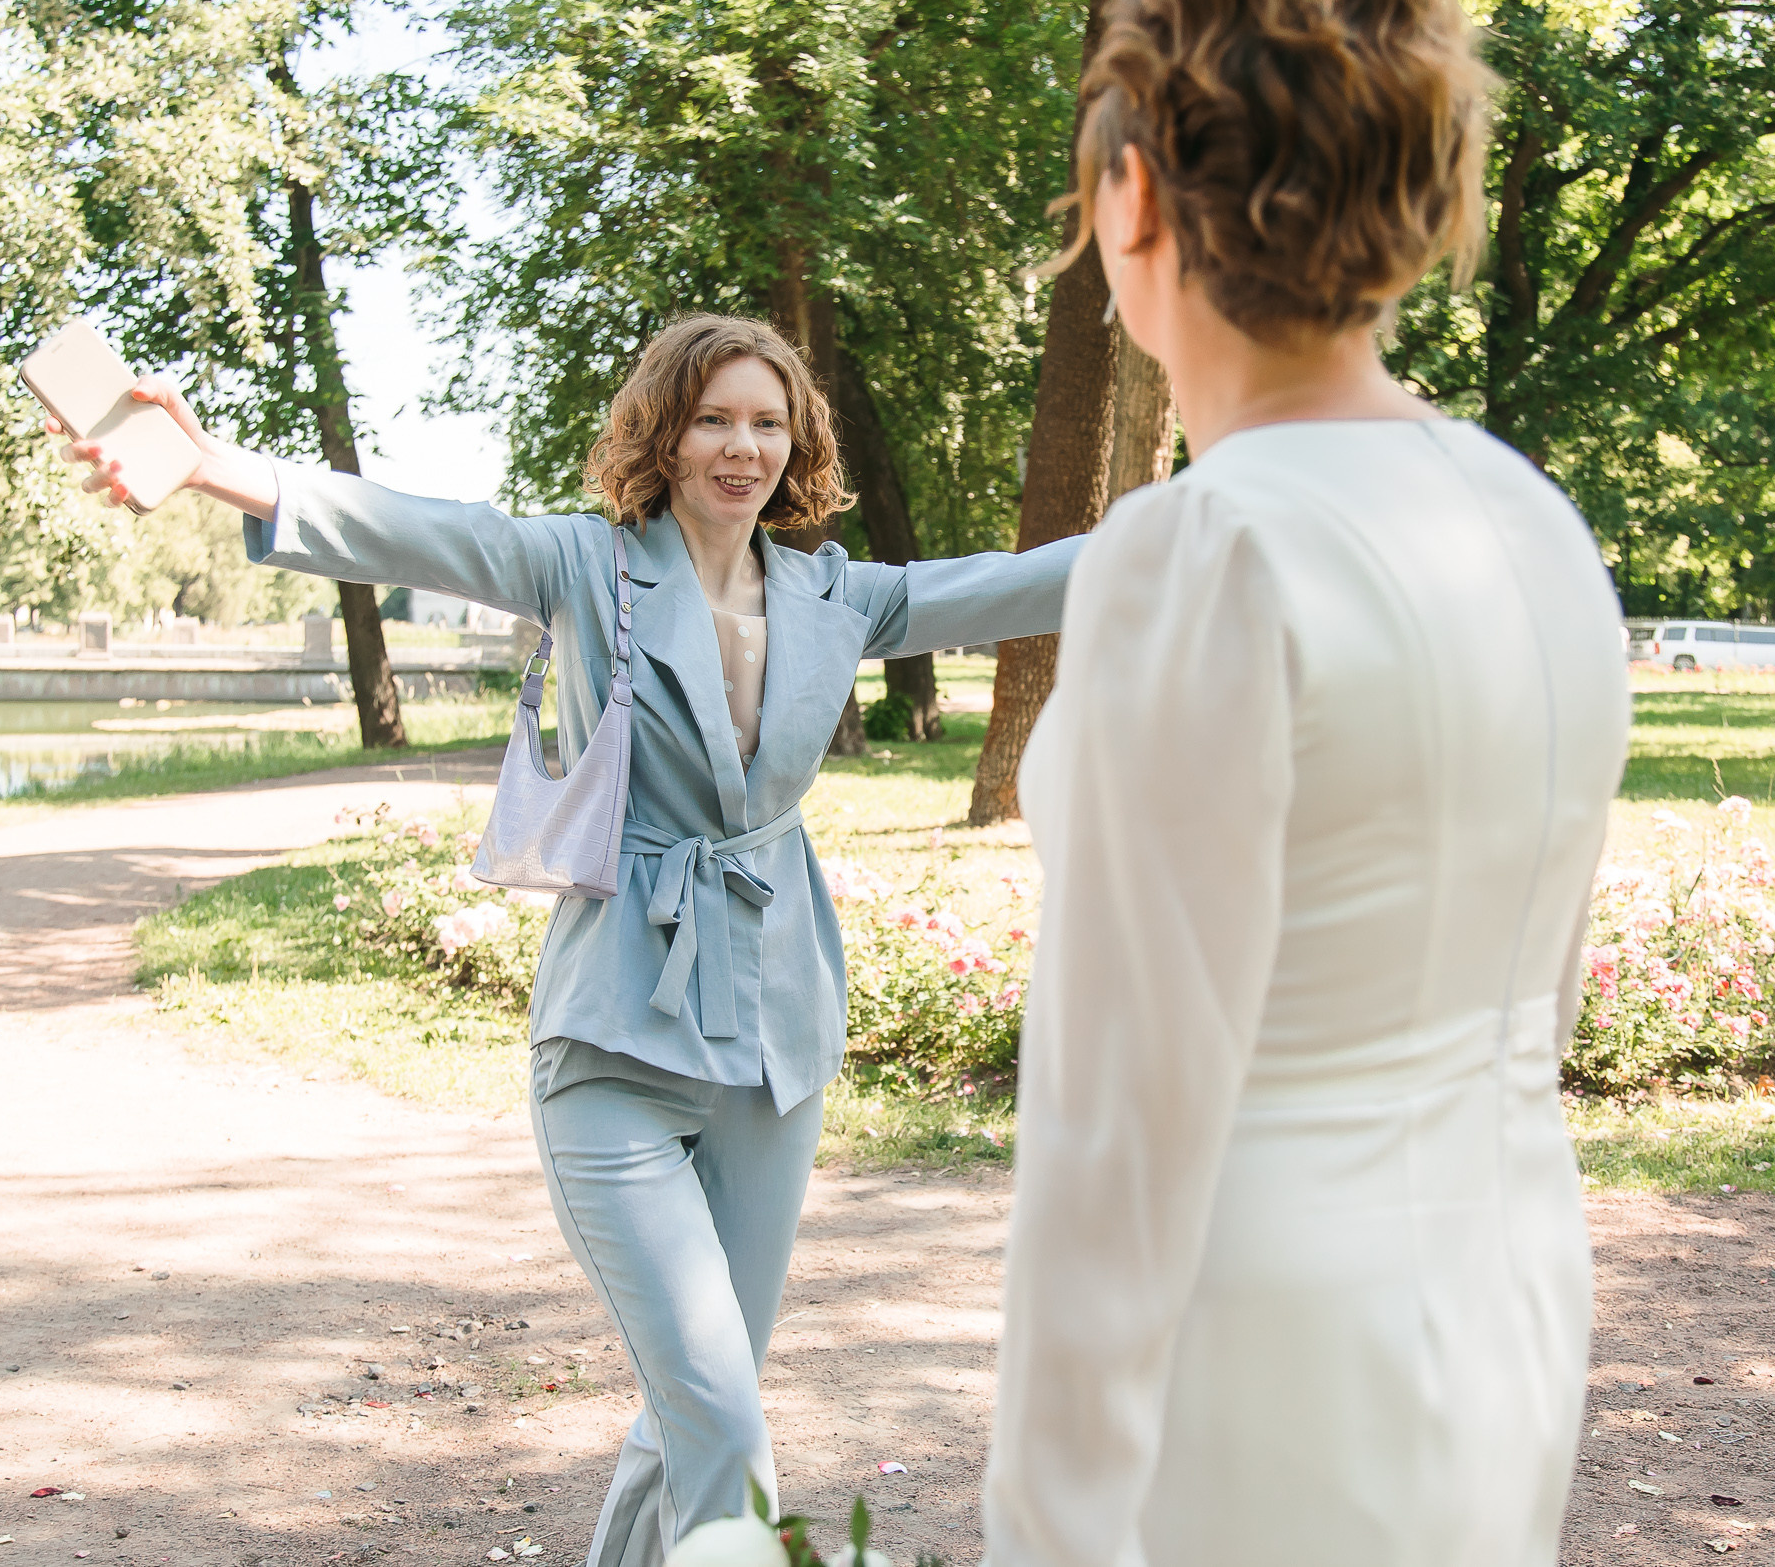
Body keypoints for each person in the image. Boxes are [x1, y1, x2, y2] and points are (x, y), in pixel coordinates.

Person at [58, 313, 1079, 1567]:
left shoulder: (835, 595)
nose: (741, 446)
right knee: (715, 1398)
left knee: (692, 1399)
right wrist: (214, 464)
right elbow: (422, 526)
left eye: (767, 421)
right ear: (665, 429)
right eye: (713, 418)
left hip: (775, 1046)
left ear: (797, 441)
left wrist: (1230, 510)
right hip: (612, 1041)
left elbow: (1026, 577)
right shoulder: (582, 567)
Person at [982, 0, 1630, 1567]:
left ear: (1136, 196)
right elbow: (1538, 989)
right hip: (1505, 1293)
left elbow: (1110, 1148)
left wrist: (1050, 1532)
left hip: (1260, 1362)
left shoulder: (1205, 550)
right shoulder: (1528, 515)